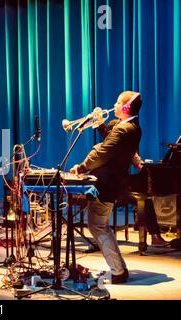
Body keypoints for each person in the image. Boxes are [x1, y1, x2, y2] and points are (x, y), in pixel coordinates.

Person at [70, 91, 142, 284]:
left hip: (107, 183)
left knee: (97, 225)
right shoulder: (130, 127)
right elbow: (112, 140)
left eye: (118, 102)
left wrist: (81, 167)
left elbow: (103, 152)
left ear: (126, 108)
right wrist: (100, 124)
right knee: (99, 225)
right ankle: (118, 268)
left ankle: (118, 271)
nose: (115, 105)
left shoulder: (124, 129)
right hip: (111, 183)